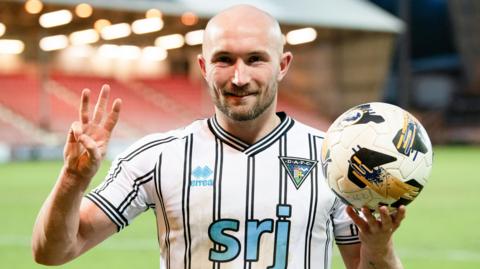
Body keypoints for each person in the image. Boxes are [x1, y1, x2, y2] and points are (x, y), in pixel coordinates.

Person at [32, 4, 405, 269]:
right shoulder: (156, 158)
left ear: (282, 65)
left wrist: (379, 245)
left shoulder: (332, 161)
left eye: (255, 59)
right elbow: (54, 252)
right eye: (224, 59)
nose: (239, 78)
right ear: (203, 67)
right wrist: (72, 180)